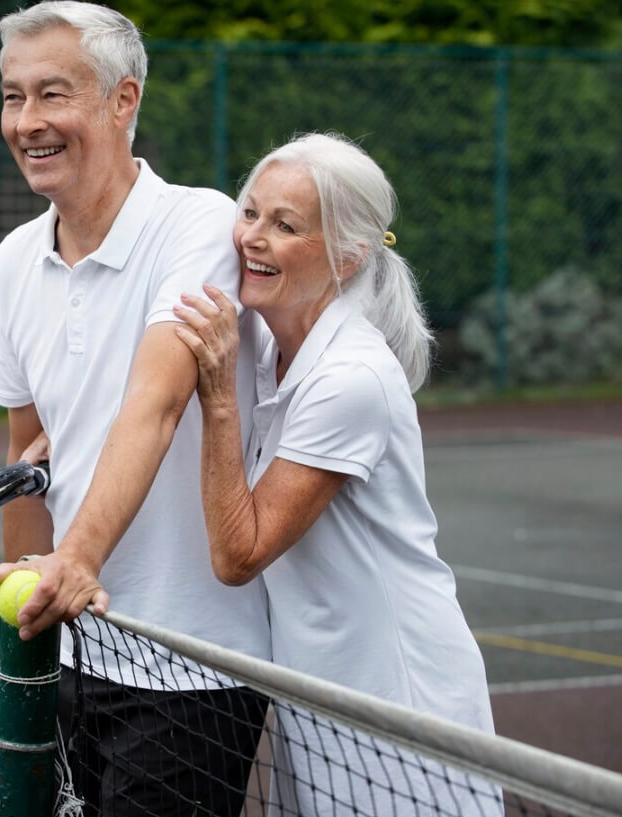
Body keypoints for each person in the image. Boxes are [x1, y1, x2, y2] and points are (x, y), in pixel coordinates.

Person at [0, 3, 272, 815]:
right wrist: (18, 654)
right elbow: (23, 471)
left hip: (191, 666)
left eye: (52, 94)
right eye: (12, 97)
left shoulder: (198, 224)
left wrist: (77, 560)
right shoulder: (8, 265)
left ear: (121, 101)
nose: (28, 122)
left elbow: (157, 402)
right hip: (71, 659)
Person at [173, 131, 501, 814]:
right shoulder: (266, 340)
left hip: (397, 696)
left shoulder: (350, 377)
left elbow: (239, 553)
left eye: (284, 225)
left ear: (348, 258)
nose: (251, 238)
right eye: (250, 212)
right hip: (317, 689)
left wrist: (219, 398)